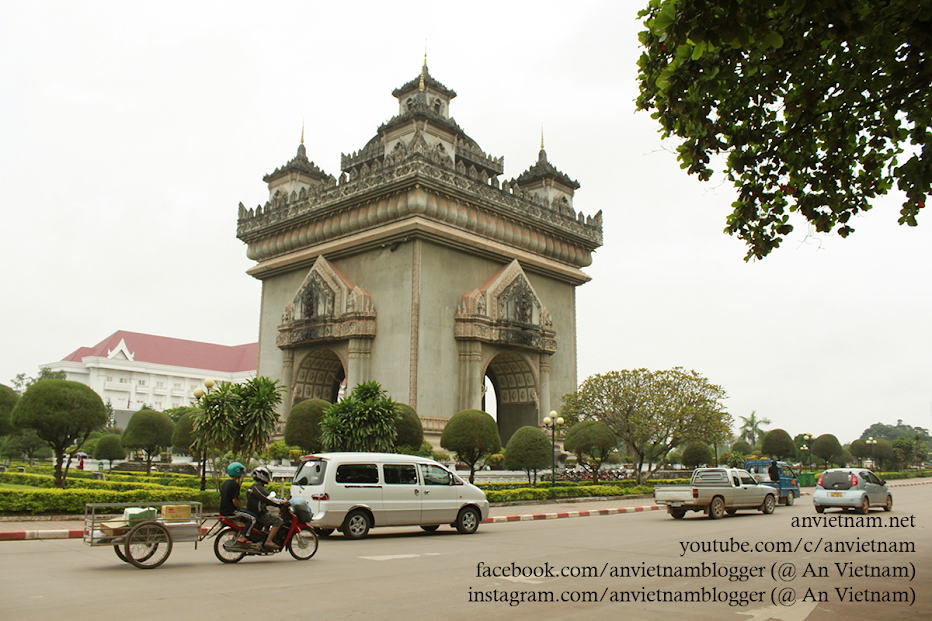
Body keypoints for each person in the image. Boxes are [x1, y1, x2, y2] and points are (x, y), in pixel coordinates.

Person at [247, 466, 290, 549]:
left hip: (255, 512)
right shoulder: (258, 488)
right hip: (259, 514)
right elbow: (268, 499)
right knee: (278, 521)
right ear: (261, 476)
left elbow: (267, 499)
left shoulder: (254, 487)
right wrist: (281, 502)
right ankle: (268, 541)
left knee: (270, 517)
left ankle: (265, 537)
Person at [219, 461, 257, 548]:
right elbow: (234, 500)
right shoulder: (235, 484)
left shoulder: (225, 483)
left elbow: (221, 497)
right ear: (237, 471)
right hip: (231, 511)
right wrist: (240, 508)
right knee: (253, 518)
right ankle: (242, 537)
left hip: (223, 510)